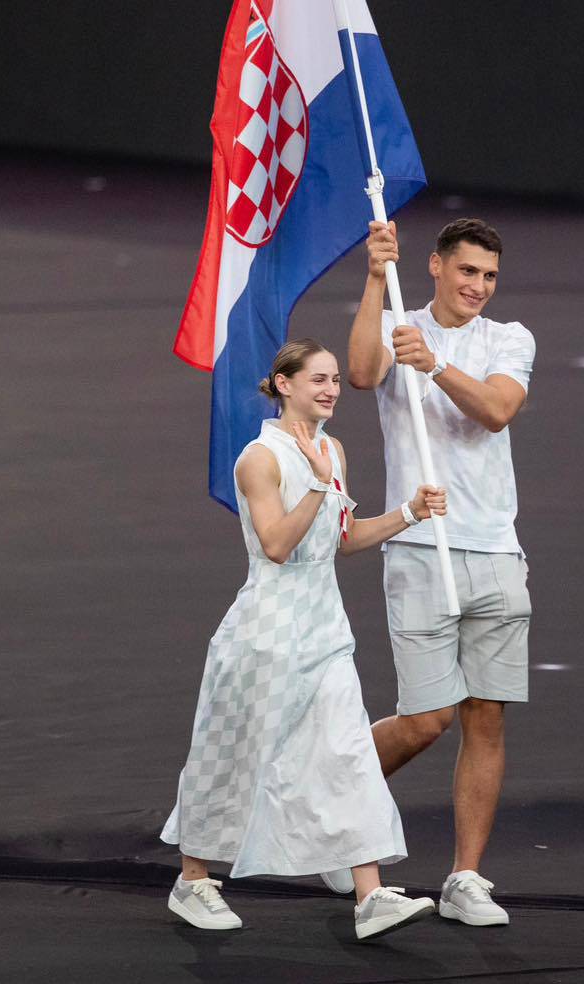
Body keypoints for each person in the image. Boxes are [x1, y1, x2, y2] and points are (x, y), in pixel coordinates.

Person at [161, 339, 446, 941]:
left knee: (346, 753)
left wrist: (410, 514)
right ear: (283, 384)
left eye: (337, 380)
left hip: (325, 630)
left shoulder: (332, 450)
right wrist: (317, 486)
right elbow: (276, 546)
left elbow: (341, 540)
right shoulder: (258, 460)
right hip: (266, 632)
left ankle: (370, 897)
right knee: (234, 753)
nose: (331, 389)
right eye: (318, 379)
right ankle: (193, 880)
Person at [346, 217, 534, 926]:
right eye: (467, 272)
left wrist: (432, 364)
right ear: (434, 266)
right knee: (427, 720)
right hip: (423, 547)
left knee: (485, 719)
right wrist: (372, 278)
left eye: (488, 275)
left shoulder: (510, 338)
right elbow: (362, 374)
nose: (478, 286)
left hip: (496, 551)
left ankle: (465, 878)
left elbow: (495, 410)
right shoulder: (396, 322)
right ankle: (329, 799)